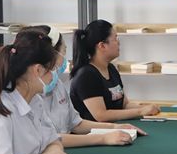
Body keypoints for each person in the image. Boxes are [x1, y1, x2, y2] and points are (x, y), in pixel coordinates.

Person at [18, 25, 146, 147]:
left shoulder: (57, 85)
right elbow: (47, 138)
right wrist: (103, 138)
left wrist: (114, 127)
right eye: (64, 52)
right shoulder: (28, 96)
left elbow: (76, 124)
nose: (65, 59)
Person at [69, 19, 160, 121]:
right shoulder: (86, 75)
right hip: (94, 130)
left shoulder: (111, 68)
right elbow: (101, 115)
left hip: (116, 127)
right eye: (115, 38)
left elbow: (124, 105)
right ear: (102, 46)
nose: (119, 42)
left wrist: (146, 108)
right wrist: (140, 111)